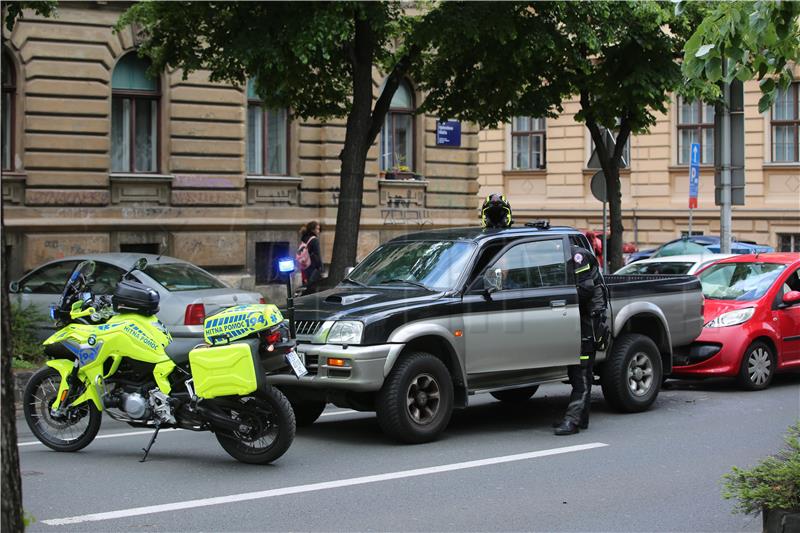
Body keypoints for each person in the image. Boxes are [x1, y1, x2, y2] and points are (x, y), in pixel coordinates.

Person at [554, 244, 609, 436]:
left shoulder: (576, 256)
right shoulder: (560, 256)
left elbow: (585, 290)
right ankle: (580, 417)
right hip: (578, 319)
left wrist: (556, 295)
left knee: (582, 372)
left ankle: (573, 420)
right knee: (575, 371)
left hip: (589, 321)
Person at [297, 221, 323, 294]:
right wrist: (321, 267)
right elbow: (317, 254)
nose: (318, 231)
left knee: (306, 286)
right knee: (313, 287)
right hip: (313, 267)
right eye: (317, 229)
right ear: (312, 230)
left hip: (305, 266)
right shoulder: (314, 240)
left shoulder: (304, 238)